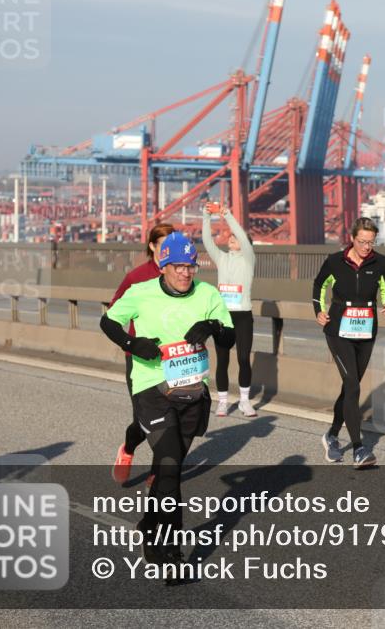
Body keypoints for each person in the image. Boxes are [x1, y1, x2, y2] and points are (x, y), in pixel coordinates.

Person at [100, 232, 233, 570]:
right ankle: (170, 549)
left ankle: (149, 522)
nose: (186, 273)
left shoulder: (208, 294)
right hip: (151, 390)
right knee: (170, 463)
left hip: (192, 393)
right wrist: (133, 345)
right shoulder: (140, 293)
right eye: (178, 266)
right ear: (162, 266)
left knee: (165, 470)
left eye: (190, 266)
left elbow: (229, 337)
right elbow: (108, 321)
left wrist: (212, 325)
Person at [312, 217, 385, 468]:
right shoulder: (335, 261)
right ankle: (359, 449)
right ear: (352, 239)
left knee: (351, 386)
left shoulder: (381, 263)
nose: (367, 247)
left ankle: (331, 435)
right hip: (338, 329)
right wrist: (318, 310)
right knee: (352, 383)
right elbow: (319, 285)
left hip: (366, 330)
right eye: (362, 242)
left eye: (371, 242)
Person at [110, 223, 176, 485]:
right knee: (144, 417)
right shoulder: (137, 276)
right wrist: (132, 342)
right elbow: (115, 312)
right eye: (163, 246)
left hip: (173, 358)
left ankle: (158, 467)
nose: (169, 251)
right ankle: (127, 450)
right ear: (152, 246)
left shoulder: (181, 275)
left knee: (173, 415)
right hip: (139, 359)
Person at [201, 203, 257, 418]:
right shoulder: (222, 258)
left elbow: (243, 237)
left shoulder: (249, 260)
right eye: (230, 236)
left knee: (243, 358)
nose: (232, 238)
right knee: (222, 359)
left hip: (243, 314)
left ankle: (244, 401)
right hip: (223, 316)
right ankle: (222, 401)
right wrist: (206, 216)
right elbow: (207, 242)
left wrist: (227, 215)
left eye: (236, 237)